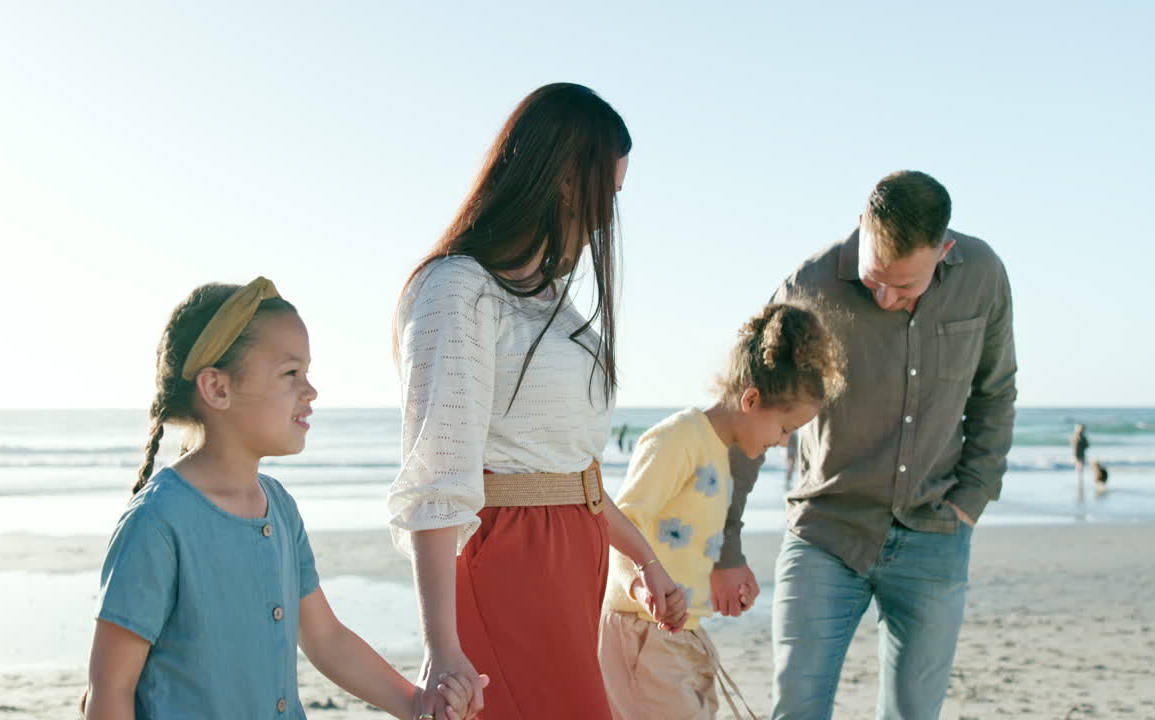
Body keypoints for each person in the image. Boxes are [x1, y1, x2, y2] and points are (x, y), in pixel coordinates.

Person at [388, 83, 680, 720]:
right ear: (569, 180)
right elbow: (439, 478)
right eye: (609, 193)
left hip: (572, 568)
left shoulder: (555, 301)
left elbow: (573, 477)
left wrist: (646, 562)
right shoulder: (458, 288)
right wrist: (442, 648)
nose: (608, 218)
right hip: (509, 568)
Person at [82, 278, 477, 720]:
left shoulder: (279, 507)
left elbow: (326, 638)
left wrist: (417, 703)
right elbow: (110, 690)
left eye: (307, 373)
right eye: (290, 373)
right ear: (217, 388)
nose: (310, 391)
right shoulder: (158, 522)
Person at [711, 170, 1018, 719]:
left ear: (943, 251)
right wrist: (728, 548)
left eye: (905, 287)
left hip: (934, 534)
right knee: (797, 711)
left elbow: (994, 393)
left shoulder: (984, 276)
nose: (885, 295)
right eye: (875, 277)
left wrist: (972, 499)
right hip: (826, 535)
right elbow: (748, 419)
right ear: (861, 228)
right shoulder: (808, 287)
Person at [598, 303, 844, 720]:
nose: (784, 443)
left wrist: (718, 572)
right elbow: (621, 522)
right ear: (751, 399)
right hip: (639, 630)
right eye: (785, 429)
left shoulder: (723, 453)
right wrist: (643, 587)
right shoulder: (677, 439)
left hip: (684, 634)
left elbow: (692, 539)